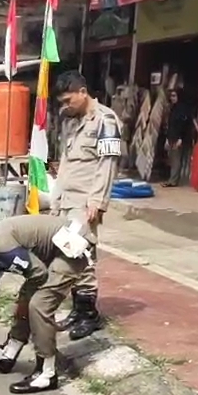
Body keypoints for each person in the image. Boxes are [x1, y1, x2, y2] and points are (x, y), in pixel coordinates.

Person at [0, 213, 94, 394]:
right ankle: (9, 353)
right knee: (26, 299)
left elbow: (40, 274)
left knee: (38, 305)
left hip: (73, 244)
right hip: (56, 247)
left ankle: (47, 373)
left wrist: (23, 305)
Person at [50, 70, 122, 340]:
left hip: (85, 201)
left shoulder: (106, 120)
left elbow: (108, 164)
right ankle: (78, 310)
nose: (65, 105)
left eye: (69, 99)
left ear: (83, 91)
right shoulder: (71, 120)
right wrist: (56, 200)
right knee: (68, 253)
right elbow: (67, 163)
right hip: (66, 198)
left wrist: (98, 200)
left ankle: (89, 313)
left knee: (82, 254)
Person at [164, 88, 194, 187]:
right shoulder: (173, 109)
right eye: (171, 96)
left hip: (179, 139)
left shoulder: (183, 110)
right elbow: (171, 125)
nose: (172, 98)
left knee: (176, 160)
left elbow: (184, 126)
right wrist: (168, 138)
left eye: (174, 96)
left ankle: (173, 181)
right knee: (172, 159)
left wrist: (181, 138)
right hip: (172, 137)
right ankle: (172, 179)